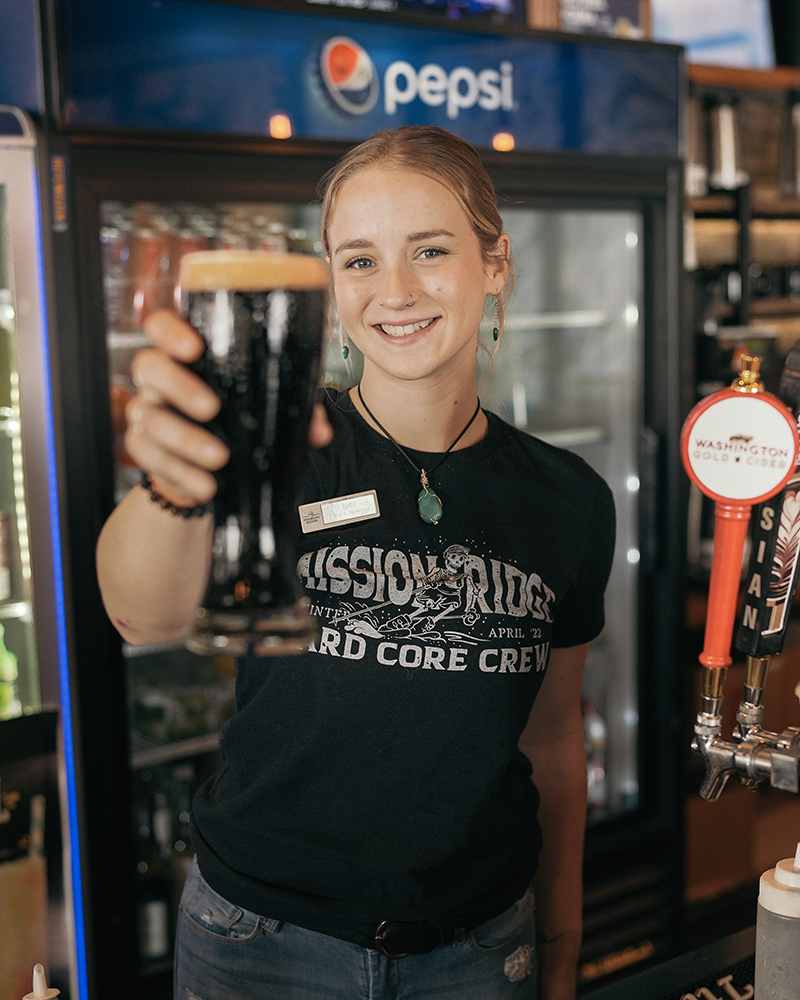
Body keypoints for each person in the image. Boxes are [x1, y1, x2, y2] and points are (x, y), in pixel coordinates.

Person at [96, 125, 615, 1000]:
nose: (397, 291)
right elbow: (138, 616)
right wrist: (177, 482)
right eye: (360, 260)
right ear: (330, 283)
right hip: (257, 941)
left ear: (497, 264)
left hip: (481, 947)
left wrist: (562, 944)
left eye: (431, 250)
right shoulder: (276, 452)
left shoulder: (568, 498)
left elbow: (554, 738)